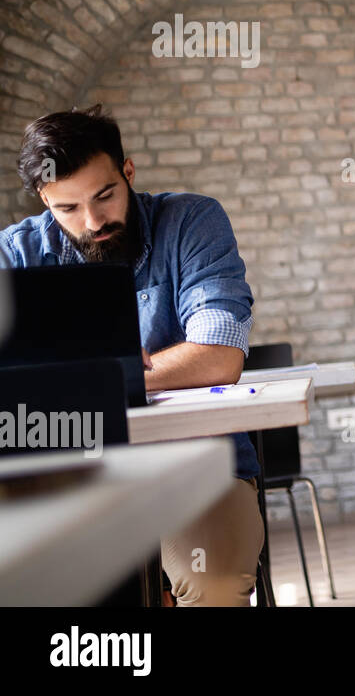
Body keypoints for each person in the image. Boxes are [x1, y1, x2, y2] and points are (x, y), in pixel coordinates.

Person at [1, 106, 263, 606]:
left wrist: (85, 382)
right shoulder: (15, 254)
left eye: (104, 196)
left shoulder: (191, 221)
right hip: (67, 475)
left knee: (211, 582)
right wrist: (121, 375)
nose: (93, 221)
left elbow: (219, 356)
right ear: (43, 199)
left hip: (199, 465)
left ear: (129, 170)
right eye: (68, 208)